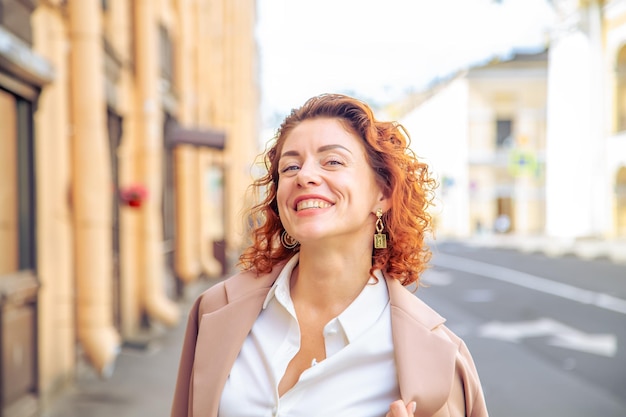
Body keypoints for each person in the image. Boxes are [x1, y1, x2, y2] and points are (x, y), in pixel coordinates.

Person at [170, 93, 489, 417]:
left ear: (383, 192)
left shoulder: (440, 360)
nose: (305, 175)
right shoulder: (214, 312)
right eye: (290, 166)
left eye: (332, 161)